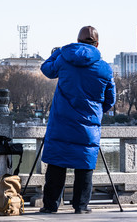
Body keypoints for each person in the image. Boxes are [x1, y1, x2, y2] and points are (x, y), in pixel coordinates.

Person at [40, 26, 116, 214]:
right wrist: (96, 113)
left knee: (57, 164)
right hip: (88, 126)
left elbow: (47, 70)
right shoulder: (105, 68)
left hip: (61, 123)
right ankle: (81, 207)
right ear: (97, 44)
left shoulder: (64, 58)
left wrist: (56, 54)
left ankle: (50, 206)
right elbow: (110, 99)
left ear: (77, 41)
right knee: (84, 165)